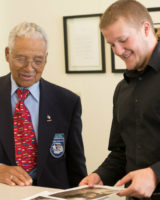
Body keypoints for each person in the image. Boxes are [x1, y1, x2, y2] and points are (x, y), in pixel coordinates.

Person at [79, 0, 160, 199]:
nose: (117, 51)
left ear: (146, 29)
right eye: (112, 45)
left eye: (123, 40)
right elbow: (121, 152)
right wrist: (101, 175)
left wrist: (156, 175)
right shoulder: (122, 89)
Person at [0, 22, 87, 189]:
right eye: (21, 59)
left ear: (45, 58)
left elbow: (76, 167)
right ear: (7, 54)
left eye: (38, 60)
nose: (29, 68)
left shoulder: (67, 102)